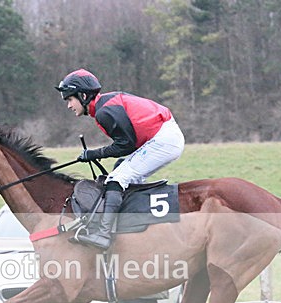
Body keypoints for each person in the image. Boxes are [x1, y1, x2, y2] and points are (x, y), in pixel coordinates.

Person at [56, 68, 185, 250]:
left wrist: (94, 154)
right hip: (164, 136)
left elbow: (126, 145)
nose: (69, 105)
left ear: (83, 96)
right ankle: (135, 227)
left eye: (70, 99)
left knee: (117, 179)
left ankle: (103, 234)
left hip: (163, 140)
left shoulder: (104, 111)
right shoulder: (104, 105)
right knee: (120, 170)